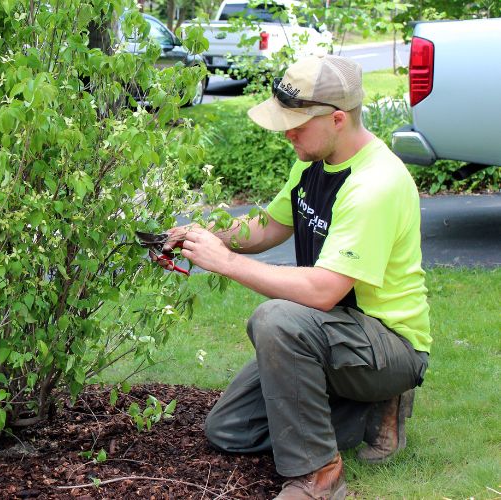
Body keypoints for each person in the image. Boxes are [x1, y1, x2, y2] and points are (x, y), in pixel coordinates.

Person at [159, 55, 430, 499]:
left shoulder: (374, 185)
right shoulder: (313, 162)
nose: (287, 133)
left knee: (277, 320)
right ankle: (368, 409)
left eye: (297, 124)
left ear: (338, 118)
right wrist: (202, 236)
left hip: (389, 342)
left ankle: (321, 474)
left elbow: (323, 292)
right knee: (228, 429)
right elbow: (267, 227)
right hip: (335, 335)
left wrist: (224, 262)